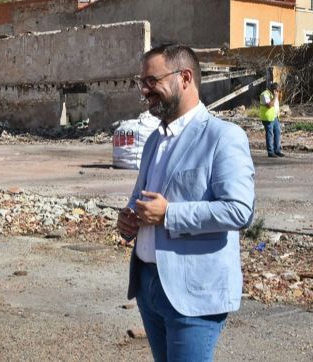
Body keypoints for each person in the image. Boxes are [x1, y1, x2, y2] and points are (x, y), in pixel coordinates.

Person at [117, 45, 255, 362]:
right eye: (141, 82)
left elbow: (239, 210)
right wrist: (129, 222)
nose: (144, 91)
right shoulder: (154, 139)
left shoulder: (223, 136)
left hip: (193, 292)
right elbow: (144, 200)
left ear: (185, 78)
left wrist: (169, 214)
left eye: (152, 81)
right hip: (149, 286)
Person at [259, 82, 284, 158]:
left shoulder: (273, 95)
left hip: (275, 117)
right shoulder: (264, 95)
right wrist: (275, 97)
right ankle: (270, 152)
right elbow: (269, 105)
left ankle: (277, 150)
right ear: (273, 90)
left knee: (278, 133)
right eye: (277, 91)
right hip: (267, 118)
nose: (278, 93)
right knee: (270, 135)